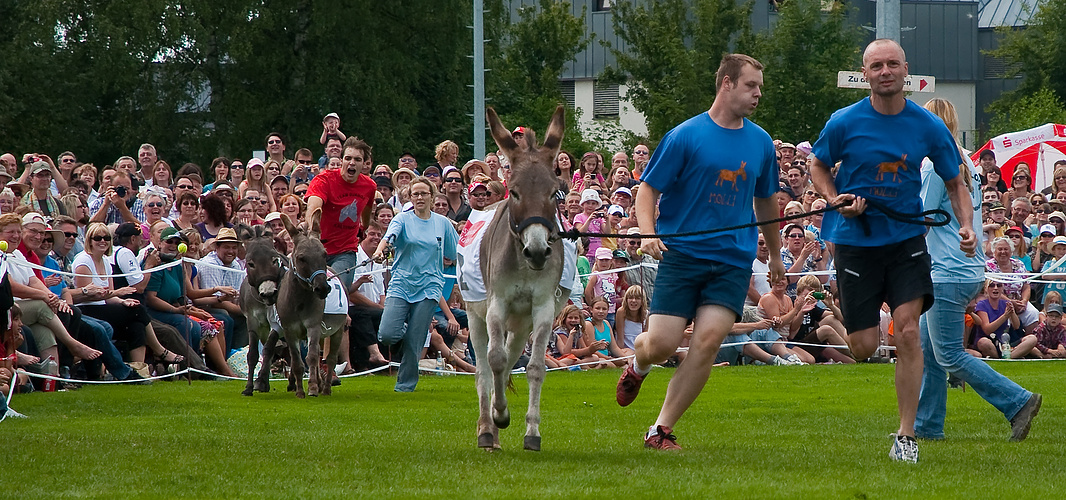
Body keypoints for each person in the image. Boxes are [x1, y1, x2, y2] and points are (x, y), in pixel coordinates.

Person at [807, 39, 976, 462]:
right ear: (864, 74)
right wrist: (834, 198)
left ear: (906, 70)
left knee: (906, 331)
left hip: (905, 240)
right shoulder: (843, 122)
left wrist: (968, 226)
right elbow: (817, 165)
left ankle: (907, 434)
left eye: (892, 64)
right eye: (876, 65)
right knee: (863, 346)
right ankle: (861, 335)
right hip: (855, 239)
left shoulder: (928, 126)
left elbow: (955, 182)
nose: (885, 71)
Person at [614, 54, 785, 450]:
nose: (758, 94)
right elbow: (648, 189)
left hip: (732, 260)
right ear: (726, 84)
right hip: (683, 255)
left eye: (760, 86)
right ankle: (638, 365)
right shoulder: (685, 136)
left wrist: (774, 255)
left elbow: (766, 202)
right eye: (751, 85)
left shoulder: (761, 142)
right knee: (660, 345)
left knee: (707, 342)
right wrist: (646, 231)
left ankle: (660, 430)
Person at [373, 177, 458, 392]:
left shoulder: (443, 223)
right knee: (387, 334)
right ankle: (410, 331)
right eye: (415, 194)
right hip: (402, 282)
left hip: (429, 286)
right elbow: (389, 237)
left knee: (415, 340)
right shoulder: (402, 219)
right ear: (410, 197)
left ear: (432, 196)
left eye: (424, 193)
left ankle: (405, 386)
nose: (420, 197)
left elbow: (453, 251)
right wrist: (380, 250)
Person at [306, 137, 378, 291]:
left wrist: (364, 226)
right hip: (317, 247)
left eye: (357, 159)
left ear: (364, 164)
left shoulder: (369, 186)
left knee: (336, 287)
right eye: (348, 158)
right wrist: (312, 230)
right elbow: (313, 207)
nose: (352, 163)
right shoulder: (324, 180)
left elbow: (367, 208)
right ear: (341, 160)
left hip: (345, 250)